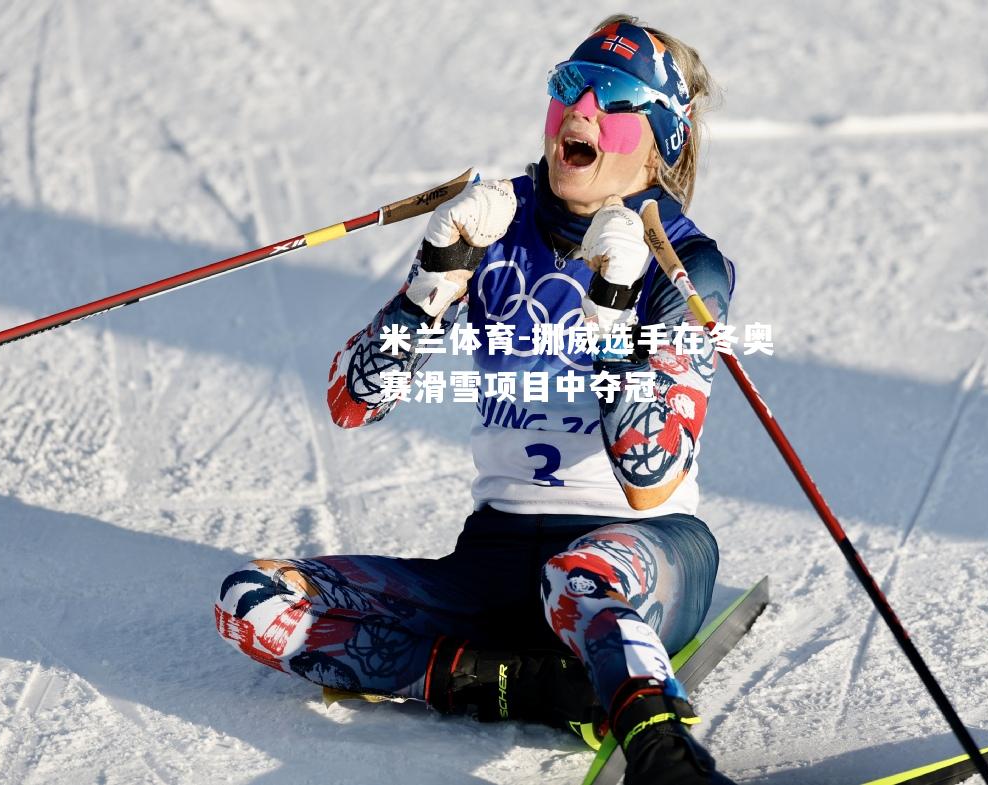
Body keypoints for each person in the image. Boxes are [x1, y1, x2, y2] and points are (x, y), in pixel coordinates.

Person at [214, 15, 736, 785]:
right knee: (249, 600)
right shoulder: (495, 220)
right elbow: (354, 402)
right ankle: (513, 681)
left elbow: (651, 474)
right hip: (496, 554)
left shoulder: (683, 262)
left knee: (580, 576)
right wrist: (432, 282)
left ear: (659, 135)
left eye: (613, 98)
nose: (581, 110)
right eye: (568, 85)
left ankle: (665, 756)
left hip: (643, 547)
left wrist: (615, 316)